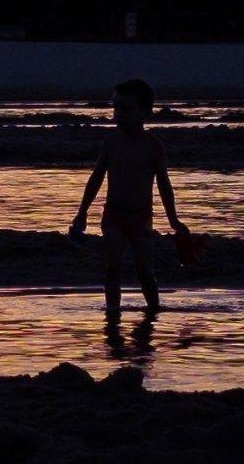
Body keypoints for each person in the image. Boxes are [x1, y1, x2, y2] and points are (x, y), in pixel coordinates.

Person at [68, 78, 190, 324]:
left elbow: (164, 185)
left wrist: (173, 220)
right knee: (112, 267)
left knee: (144, 271)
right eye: (115, 108)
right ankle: (113, 313)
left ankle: (154, 312)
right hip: (113, 216)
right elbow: (96, 178)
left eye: (125, 109)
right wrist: (82, 212)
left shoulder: (153, 146)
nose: (118, 114)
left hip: (141, 218)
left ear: (144, 112)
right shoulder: (111, 143)